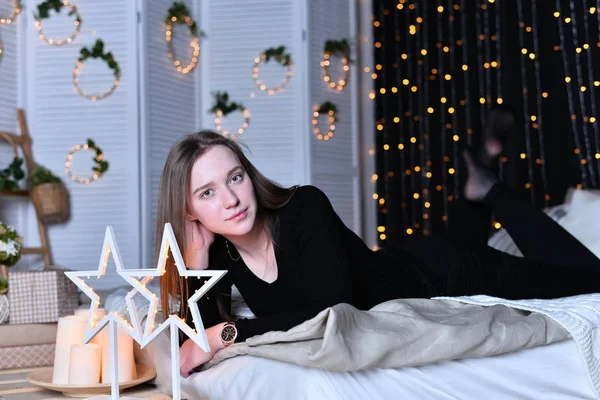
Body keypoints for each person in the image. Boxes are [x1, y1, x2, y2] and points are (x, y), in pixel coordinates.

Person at [154, 109, 600, 378]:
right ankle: (478, 181)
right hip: (403, 265)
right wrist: (193, 261)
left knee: (591, 279)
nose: (230, 199)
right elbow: (185, 345)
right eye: (207, 193)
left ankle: (491, 188)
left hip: (438, 272)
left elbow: (330, 309)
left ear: (248, 175)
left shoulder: (303, 208)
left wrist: (224, 335)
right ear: (189, 210)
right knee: (466, 236)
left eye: (235, 177)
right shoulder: (218, 249)